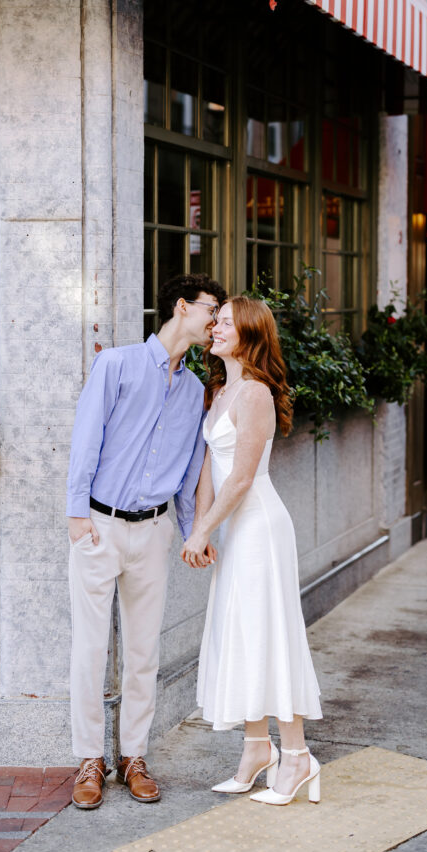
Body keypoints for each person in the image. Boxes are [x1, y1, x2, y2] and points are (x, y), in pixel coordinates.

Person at [66, 273, 227, 810]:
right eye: (212, 309)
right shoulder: (116, 365)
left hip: (153, 531)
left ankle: (133, 756)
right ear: (182, 307)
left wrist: (191, 533)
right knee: (90, 651)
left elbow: (187, 470)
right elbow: (86, 438)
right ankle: (90, 759)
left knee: (143, 652)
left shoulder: (195, 391)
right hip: (99, 526)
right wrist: (76, 515)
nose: (217, 320)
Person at [181, 296, 323, 806]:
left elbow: (241, 478)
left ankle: (298, 756)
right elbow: (207, 468)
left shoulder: (255, 394)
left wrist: (204, 534)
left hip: (259, 527)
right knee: (242, 633)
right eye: (214, 321)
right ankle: (256, 749)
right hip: (233, 528)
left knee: (269, 635)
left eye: (224, 323)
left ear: (248, 335)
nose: (214, 328)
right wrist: (200, 525)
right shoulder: (219, 390)